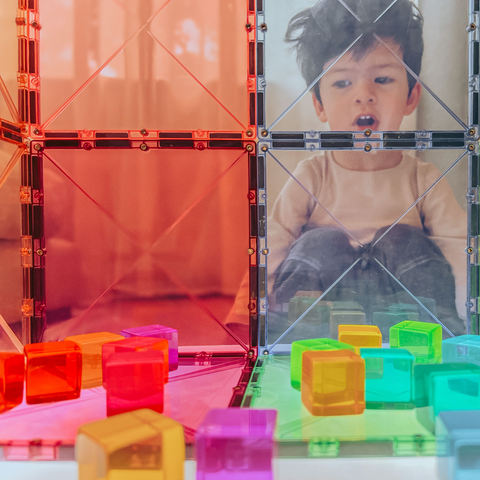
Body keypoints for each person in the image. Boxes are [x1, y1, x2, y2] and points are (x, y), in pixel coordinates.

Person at [268, 0, 466, 336]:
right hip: (326, 312)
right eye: (342, 83)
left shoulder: (423, 177)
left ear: (411, 97)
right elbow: (273, 243)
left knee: (405, 241)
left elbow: (459, 249)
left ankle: (442, 335)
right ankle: (290, 337)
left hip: (405, 316)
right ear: (319, 105)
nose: (364, 95)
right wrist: (251, 314)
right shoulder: (311, 174)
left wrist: (469, 314)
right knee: (320, 243)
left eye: (383, 78)